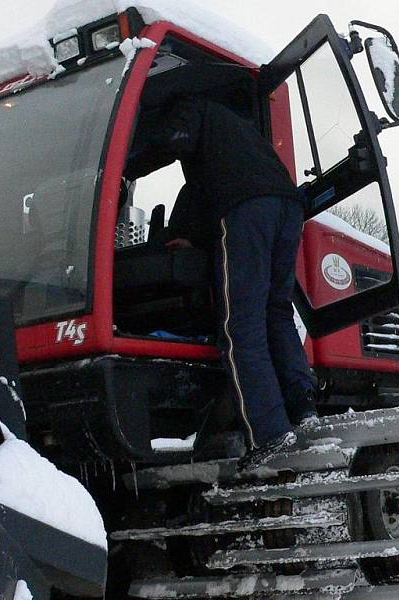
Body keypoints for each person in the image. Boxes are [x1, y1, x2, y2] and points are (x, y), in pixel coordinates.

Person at [126, 96, 317, 470]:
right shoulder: (236, 134)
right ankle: (303, 406)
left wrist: (126, 163)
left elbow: (173, 140)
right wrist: (197, 239)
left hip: (247, 208)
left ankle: (271, 434)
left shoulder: (191, 107)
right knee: (275, 311)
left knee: (239, 325)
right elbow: (206, 188)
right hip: (287, 205)